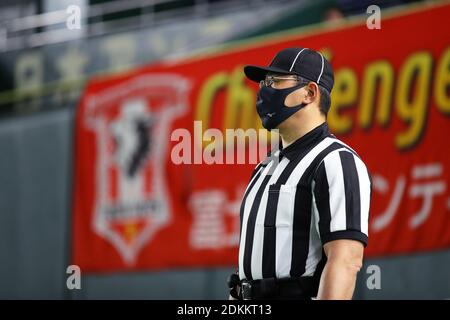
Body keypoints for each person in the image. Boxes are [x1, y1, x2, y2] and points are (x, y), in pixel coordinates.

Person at [228, 47, 372, 300]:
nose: (264, 90)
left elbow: (346, 261)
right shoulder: (265, 166)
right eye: (263, 82)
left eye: (275, 81)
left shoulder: (335, 160)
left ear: (309, 92)